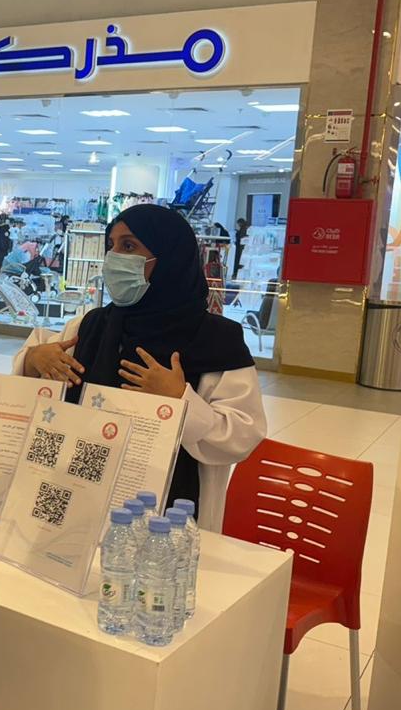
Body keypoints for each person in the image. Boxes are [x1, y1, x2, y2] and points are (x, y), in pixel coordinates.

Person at [14, 204, 265, 532]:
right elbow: (38, 391)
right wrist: (33, 360)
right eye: (112, 245)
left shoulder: (216, 341)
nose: (114, 257)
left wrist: (180, 400)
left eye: (129, 246)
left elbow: (242, 436)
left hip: (168, 524)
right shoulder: (91, 326)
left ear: (170, 257)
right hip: (76, 506)